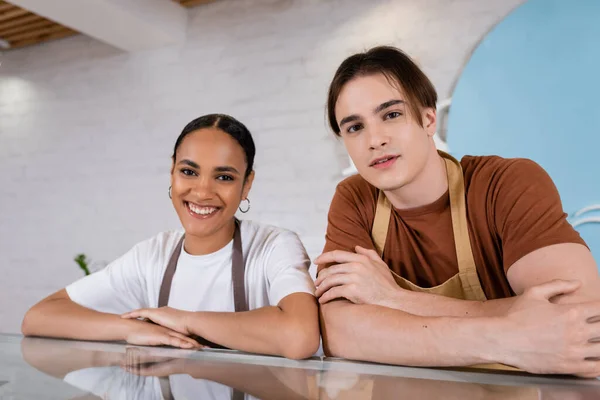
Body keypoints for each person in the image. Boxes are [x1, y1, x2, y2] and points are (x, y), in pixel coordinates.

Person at [315, 45, 600, 377]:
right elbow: (338, 332)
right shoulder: (354, 200)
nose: (374, 139)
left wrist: (394, 300)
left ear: (428, 118)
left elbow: (582, 322)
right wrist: (507, 338)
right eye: (354, 127)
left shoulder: (505, 184)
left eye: (391, 114)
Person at [22, 114, 320, 360]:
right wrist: (130, 329)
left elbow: (300, 337)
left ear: (247, 184)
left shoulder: (273, 246)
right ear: (172, 173)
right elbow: (38, 317)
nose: (202, 192)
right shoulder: (151, 256)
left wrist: (186, 319)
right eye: (189, 171)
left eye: (224, 177)